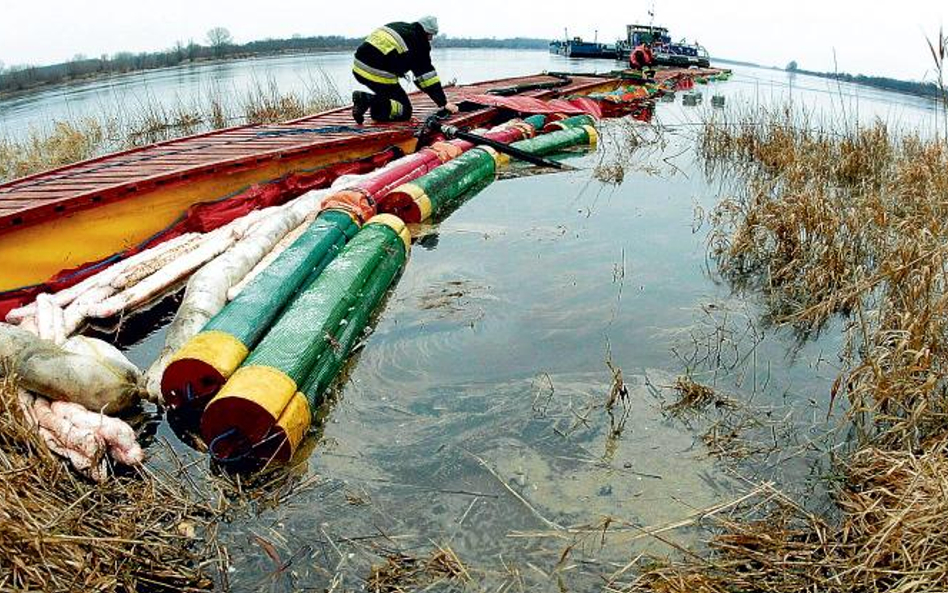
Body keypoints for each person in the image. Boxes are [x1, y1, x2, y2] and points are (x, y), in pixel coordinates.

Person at [351, 16, 459, 124]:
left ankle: (377, 110)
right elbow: (427, 77)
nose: (431, 39)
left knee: (389, 100)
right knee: (404, 111)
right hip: (376, 73)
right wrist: (443, 103)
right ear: (426, 32)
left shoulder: (399, 26)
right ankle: (368, 100)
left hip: (358, 67)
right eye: (431, 35)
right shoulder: (419, 42)